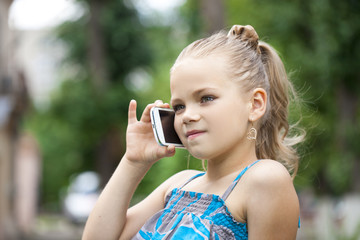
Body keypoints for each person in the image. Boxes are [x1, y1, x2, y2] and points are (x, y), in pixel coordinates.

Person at [82, 24, 304, 240]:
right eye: (179, 106)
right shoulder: (178, 184)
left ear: (255, 104)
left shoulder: (265, 179)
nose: (187, 116)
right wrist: (133, 162)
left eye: (206, 98)